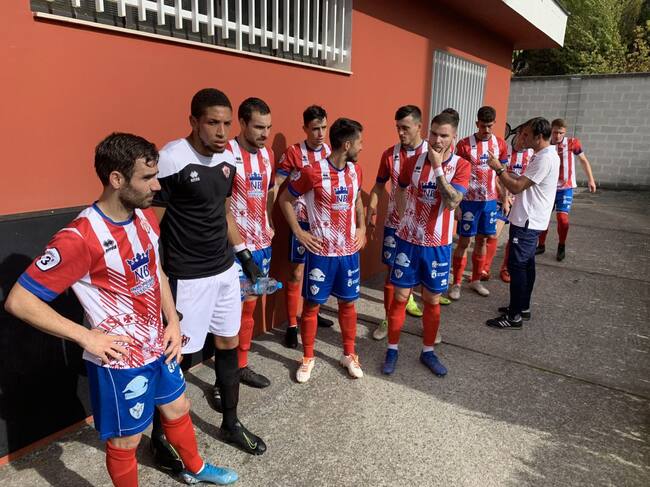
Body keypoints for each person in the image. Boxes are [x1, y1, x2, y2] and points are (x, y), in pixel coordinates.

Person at [4, 133, 238, 486]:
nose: (157, 185)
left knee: (178, 407)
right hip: (120, 360)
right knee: (126, 441)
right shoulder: (80, 237)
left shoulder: (144, 216)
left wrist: (173, 321)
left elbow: (157, 271)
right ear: (116, 179)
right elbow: (19, 300)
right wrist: (86, 338)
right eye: (147, 177)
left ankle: (197, 468)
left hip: (157, 344)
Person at [151, 89, 266, 470]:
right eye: (212, 123)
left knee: (229, 344)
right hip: (187, 278)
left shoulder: (229, 156)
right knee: (176, 359)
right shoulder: (171, 158)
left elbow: (223, 211)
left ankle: (231, 424)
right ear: (193, 122)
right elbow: (151, 224)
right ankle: (160, 438)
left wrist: (244, 254)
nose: (221, 131)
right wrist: (155, 275)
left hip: (224, 272)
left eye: (227, 123)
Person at [382, 112, 470, 376]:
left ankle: (428, 352)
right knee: (400, 298)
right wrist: (402, 217)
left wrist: (438, 167)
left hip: (437, 246)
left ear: (454, 137)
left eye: (444, 135)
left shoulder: (461, 166)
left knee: (431, 300)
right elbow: (399, 187)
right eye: (434, 134)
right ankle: (392, 349)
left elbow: (452, 202)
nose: (437, 140)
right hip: (407, 242)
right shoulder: (413, 162)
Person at [279, 118, 366, 383]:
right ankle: (307, 357)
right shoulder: (312, 172)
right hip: (321, 253)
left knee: (348, 303)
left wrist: (362, 228)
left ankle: (349, 354)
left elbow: (357, 200)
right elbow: (285, 199)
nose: (362, 147)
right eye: (359, 142)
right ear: (347, 144)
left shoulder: (356, 171)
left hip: (348, 253)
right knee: (312, 306)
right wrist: (299, 232)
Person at [485, 117, 560, 329]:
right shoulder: (544, 155)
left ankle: (514, 316)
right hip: (531, 219)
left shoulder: (545, 158)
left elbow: (517, 187)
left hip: (528, 220)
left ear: (539, 137)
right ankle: (522, 307)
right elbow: (526, 182)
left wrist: (499, 169)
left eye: (526, 135)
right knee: (527, 265)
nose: (522, 138)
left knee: (517, 267)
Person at [366, 105, 428, 342]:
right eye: (398, 128)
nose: (401, 133)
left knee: (425, 278)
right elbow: (378, 186)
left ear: (419, 126)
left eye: (406, 128)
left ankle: (429, 325)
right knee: (392, 274)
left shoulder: (432, 153)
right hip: (395, 225)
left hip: (425, 229)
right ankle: (388, 319)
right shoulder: (389, 155)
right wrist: (371, 209)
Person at [274, 105, 334, 350]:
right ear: (305, 128)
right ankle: (291, 324)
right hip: (301, 220)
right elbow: (277, 183)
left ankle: (314, 312)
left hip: (324, 222)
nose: (320, 134)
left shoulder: (330, 150)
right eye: (315, 129)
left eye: (324, 128)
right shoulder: (294, 152)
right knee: (297, 272)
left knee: (318, 270)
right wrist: (266, 214)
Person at [226, 97, 275, 388]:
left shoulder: (268, 154)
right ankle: (224, 376)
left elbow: (269, 191)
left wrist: (269, 223)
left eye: (268, 127)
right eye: (258, 127)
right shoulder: (226, 154)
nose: (265, 134)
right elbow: (221, 204)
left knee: (250, 306)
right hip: (233, 248)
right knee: (229, 311)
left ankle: (242, 365)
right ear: (242, 123)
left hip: (262, 245)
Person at [450, 106, 508, 300]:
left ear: (494, 124)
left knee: (483, 240)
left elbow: (502, 174)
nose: (487, 130)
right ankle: (456, 283)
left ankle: (475, 280)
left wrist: (505, 199)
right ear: (477, 124)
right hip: (468, 202)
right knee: (464, 242)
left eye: (490, 126)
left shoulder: (500, 144)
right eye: (483, 126)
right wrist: (457, 204)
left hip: (490, 201)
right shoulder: (464, 144)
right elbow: (456, 175)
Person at [536, 118, 597, 261]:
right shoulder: (545, 144)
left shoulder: (572, 143)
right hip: (548, 188)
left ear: (565, 132)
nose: (557, 135)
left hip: (565, 187)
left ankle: (561, 245)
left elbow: (583, 160)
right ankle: (541, 245)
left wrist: (591, 179)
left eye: (561, 133)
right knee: (544, 217)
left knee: (562, 219)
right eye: (555, 132)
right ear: (551, 130)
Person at [483, 131, 533, 283]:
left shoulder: (532, 155)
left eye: (528, 137)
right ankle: (484, 268)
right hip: (501, 199)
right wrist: (505, 198)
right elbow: (494, 177)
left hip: (521, 201)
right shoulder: (504, 150)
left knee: (514, 238)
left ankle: (506, 268)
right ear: (517, 135)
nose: (525, 140)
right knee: (493, 235)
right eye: (523, 136)